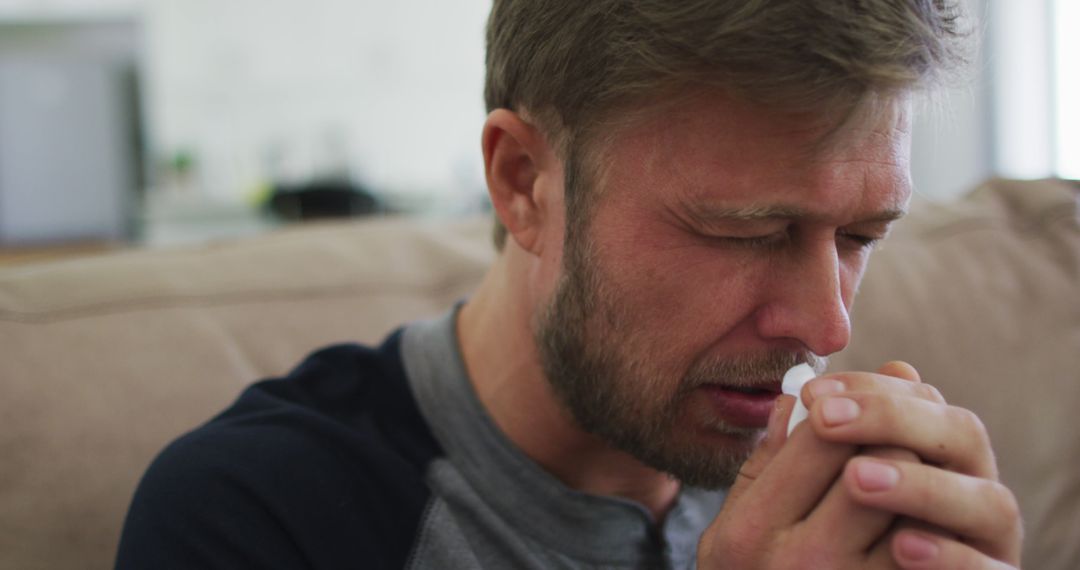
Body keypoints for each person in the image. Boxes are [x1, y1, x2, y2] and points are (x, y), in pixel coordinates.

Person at [116, 1, 1023, 568]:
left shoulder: (852, 502)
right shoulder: (258, 513)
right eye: (745, 231)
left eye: (861, 235)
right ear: (524, 183)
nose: (825, 324)